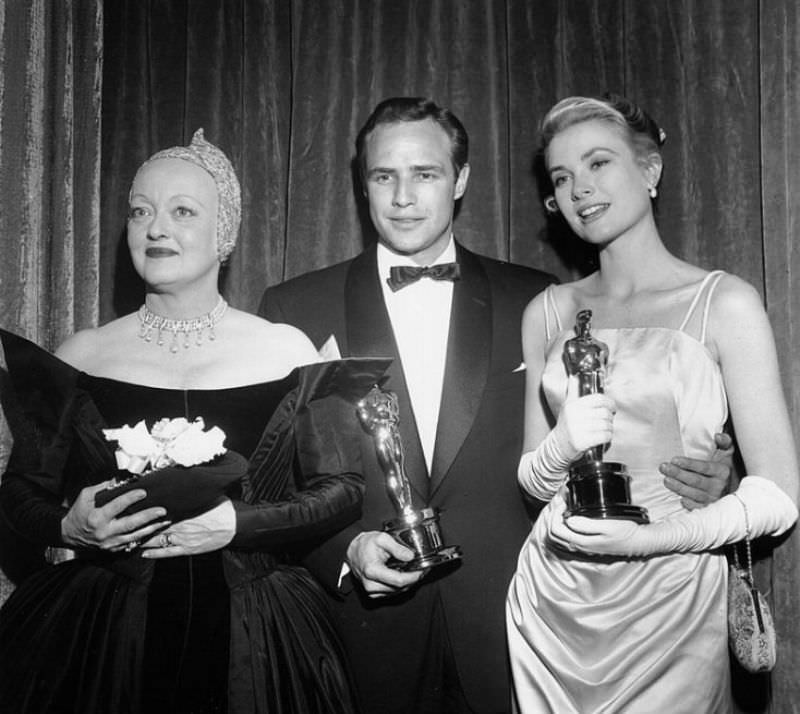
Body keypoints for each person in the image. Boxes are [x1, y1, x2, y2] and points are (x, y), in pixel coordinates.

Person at [259, 97, 733, 714]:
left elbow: (615, 434)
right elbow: (272, 483)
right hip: (358, 635)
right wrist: (343, 552)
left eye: (424, 174)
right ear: (362, 183)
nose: (403, 196)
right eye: (384, 176)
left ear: (459, 180)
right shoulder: (294, 309)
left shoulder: (541, 302)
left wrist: (710, 470)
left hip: (520, 623)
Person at [0, 130, 385, 714]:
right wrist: (67, 527)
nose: (156, 229)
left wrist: (238, 525)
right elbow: (19, 493)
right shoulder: (80, 354)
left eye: (183, 212)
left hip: (257, 633)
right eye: (140, 211)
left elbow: (341, 491)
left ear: (224, 234)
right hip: (103, 633)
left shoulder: (286, 349)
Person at [506, 95, 800, 713]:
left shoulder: (725, 303)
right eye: (562, 178)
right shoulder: (548, 312)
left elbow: (779, 497)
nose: (580, 189)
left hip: (673, 603)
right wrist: (561, 446)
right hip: (552, 603)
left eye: (598, 164)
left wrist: (650, 540)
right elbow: (534, 484)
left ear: (650, 171)